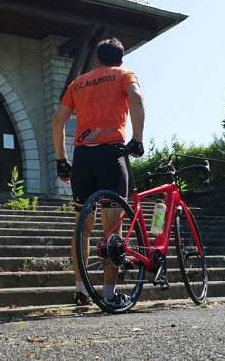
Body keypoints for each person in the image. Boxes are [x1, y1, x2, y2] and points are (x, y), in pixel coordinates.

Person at [51, 37, 145, 306]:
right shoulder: (124, 75)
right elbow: (136, 98)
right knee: (113, 227)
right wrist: (137, 140)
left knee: (83, 228)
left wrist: (61, 160)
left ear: (96, 60)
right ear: (120, 59)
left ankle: (81, 290)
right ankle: (109, 294)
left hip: (83, 158)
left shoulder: (78, 83)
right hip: (110, 154)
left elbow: (58, 120)